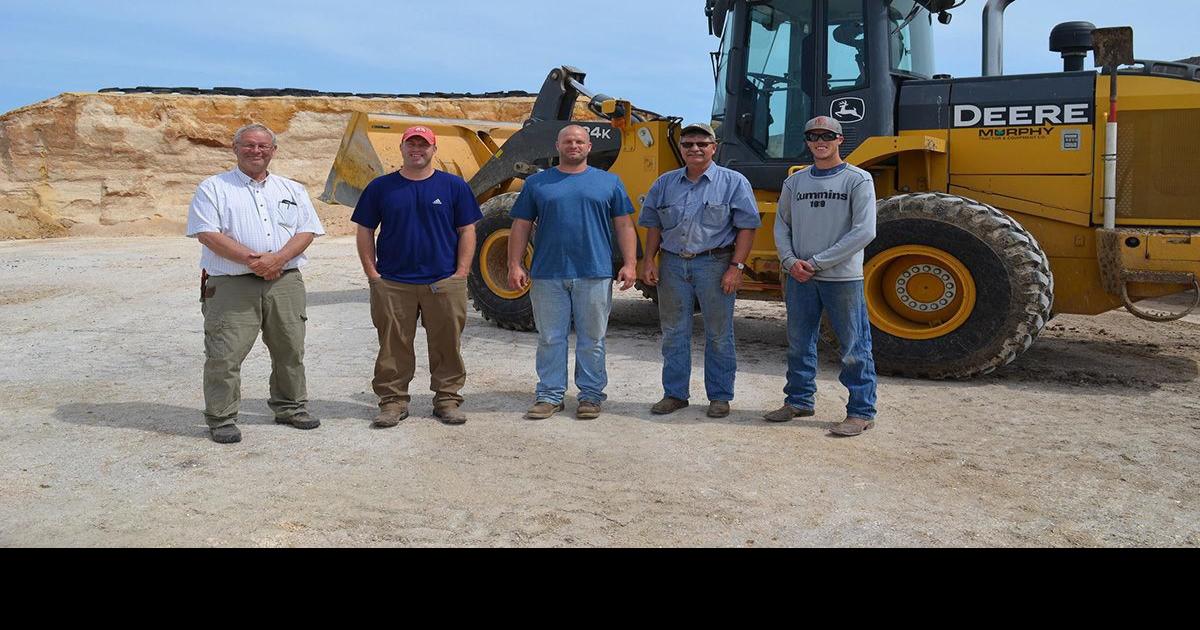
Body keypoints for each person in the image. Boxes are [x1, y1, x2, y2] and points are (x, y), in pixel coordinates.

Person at [186, 123, 325, 444]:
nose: (256, 151)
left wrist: (277, 260)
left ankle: (290, 406)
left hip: (285, 281)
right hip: (232, 284)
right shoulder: (213, 188)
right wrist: (255, 261)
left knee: (290, 348)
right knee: (225, 353)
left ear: (274, 151)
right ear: (234, 149)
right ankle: (221, 418)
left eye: (263, 146)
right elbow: (207, 233)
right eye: (248, 145)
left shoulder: (292, 189)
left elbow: (306, 230)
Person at [351, 125, 482, 427]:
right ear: (401, 148)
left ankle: (447, 399)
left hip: (444, 280)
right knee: (393, 346)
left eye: (424, 145)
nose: (417, 150)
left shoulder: (454, 186)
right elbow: (365, 231)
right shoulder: (381, 187)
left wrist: (461, 273)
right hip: (394, 282)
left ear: (434, 150)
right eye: (412, 144)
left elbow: (467, 230)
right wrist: (373, 275)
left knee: (447, 343)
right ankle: (393, 401)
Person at [506, 124, 637, 421]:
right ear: (558, 145)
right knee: (551, 337)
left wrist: (630, 264)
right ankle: (550, 395)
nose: (574, 145)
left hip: (594, 271)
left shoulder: (610, 183)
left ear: (589, 147)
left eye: (579, 141)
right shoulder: (538, 184)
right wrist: (515, 264)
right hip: (548, 273)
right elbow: (521, 226)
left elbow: (624, 225)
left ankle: (590, 395)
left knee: (593, 338)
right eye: (568, 141)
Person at [638, 123, 761, 418]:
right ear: (680, 149)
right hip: (672, 265)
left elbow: (747, 227)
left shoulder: (733, 182)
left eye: (702, 143)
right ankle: (675, 394)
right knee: (673, 332)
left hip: (715, 264)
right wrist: (648, 260)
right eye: (688, 143)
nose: (695, 148)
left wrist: (736, 267)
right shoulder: (664, 184)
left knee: (719, 333)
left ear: (713, 147)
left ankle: (719, 397)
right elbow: (653, 224)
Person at [769, 116, 878, 436]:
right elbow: (781, 225)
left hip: (841, 278)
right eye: (813, 136)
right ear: (807, 142)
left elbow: (864, 231)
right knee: (799, 343)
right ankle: (799, 400)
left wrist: (816, 263)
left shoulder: (858, 180)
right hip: (800, 278)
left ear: (840, 140)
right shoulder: (795, 182)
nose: (820, 141)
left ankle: (861, 411)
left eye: (827, 135)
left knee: (854, 346)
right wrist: (790, 262)